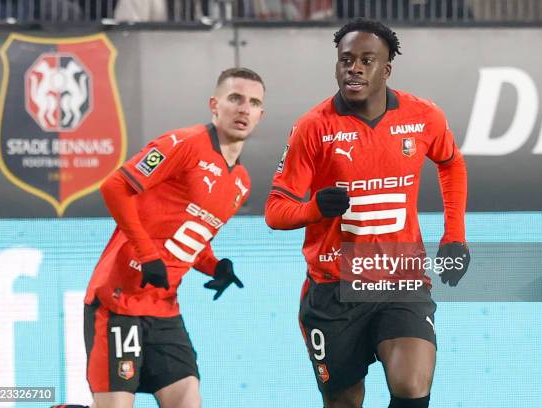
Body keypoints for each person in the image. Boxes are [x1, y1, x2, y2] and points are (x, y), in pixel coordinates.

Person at [265, 19, 469, 408]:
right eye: (345, 60)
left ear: (386, 69)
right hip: (333, 289)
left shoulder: (424, 116)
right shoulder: (311, 128)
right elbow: (275, 211)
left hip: (400, 280)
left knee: (411, 386)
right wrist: (313, 209)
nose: (353, 68)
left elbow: (452, 164)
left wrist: (454, 235)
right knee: (344, 401)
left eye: (365, 60)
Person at [82, 67, 265, 408]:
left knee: (187, 400)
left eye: (253, 103)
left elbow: (190, 234)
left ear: (260, 115)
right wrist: (146, 253)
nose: (244, 109)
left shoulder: (241, 182)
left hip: (165, 310)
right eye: (235, 98)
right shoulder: (183, 143)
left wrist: (214, 267)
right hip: (117, 301)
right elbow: (115, 186)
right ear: (215, 104)